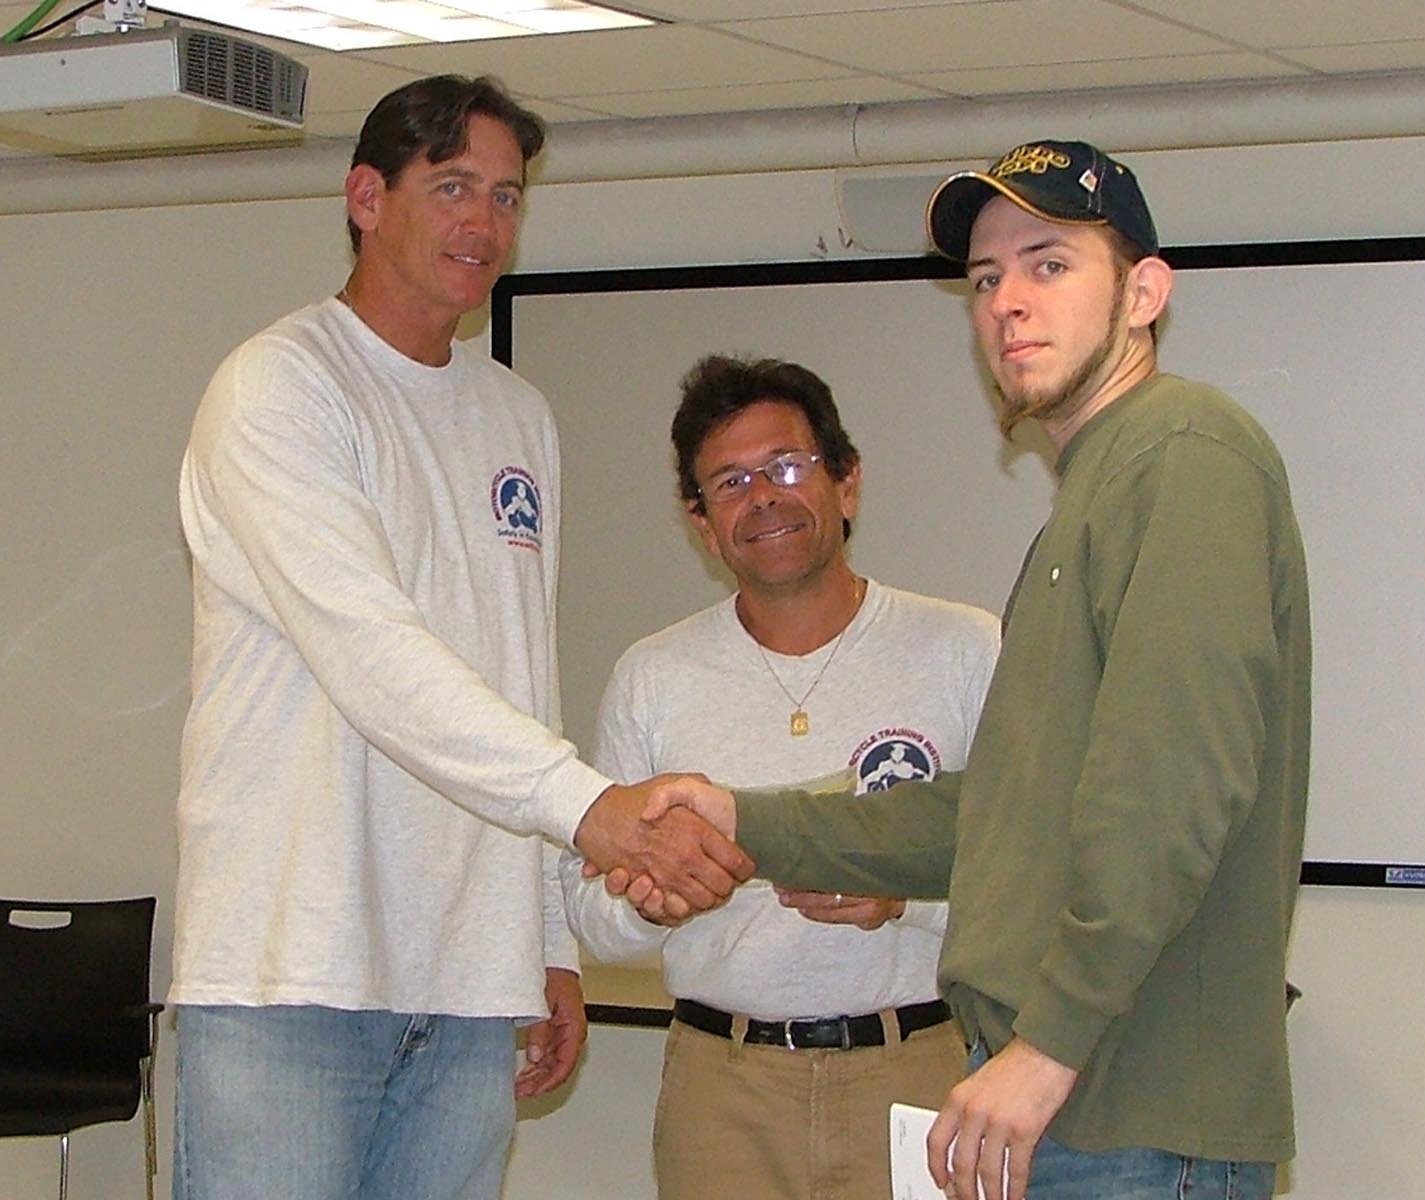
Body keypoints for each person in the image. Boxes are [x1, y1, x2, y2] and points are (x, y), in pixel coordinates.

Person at [625, 140, 1312, 1200]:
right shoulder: (1090, 502)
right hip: (1077, 1107)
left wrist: (1048, 1048)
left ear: (1144, 293)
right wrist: (741, 818)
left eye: (1050, 264)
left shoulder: (1182, 453)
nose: (1007, 303)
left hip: (1125, 1113)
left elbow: (1169, 797)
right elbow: (993, 814)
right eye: (986, 279)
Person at [170, 74, 748, 1200]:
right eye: (451, 188)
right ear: (366, 199)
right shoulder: (279, 388)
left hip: (472, 987)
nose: (484, 222)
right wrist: (593, 809)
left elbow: (519, 680)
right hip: (292, 970)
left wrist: (544, 944)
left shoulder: (517, 416)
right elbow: (372, 654)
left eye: (506, 196)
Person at [561, 354, 1002, 1200]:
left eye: (787, 467)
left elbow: (1034, 878)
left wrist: (904, 900)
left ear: (847, 482)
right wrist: (652, 899)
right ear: (701, 523)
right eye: (729, 483)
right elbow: (593, 920)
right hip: (723, 1091)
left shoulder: (966, 650)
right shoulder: (653, 676)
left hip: (920, 1069)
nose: (762, 497)